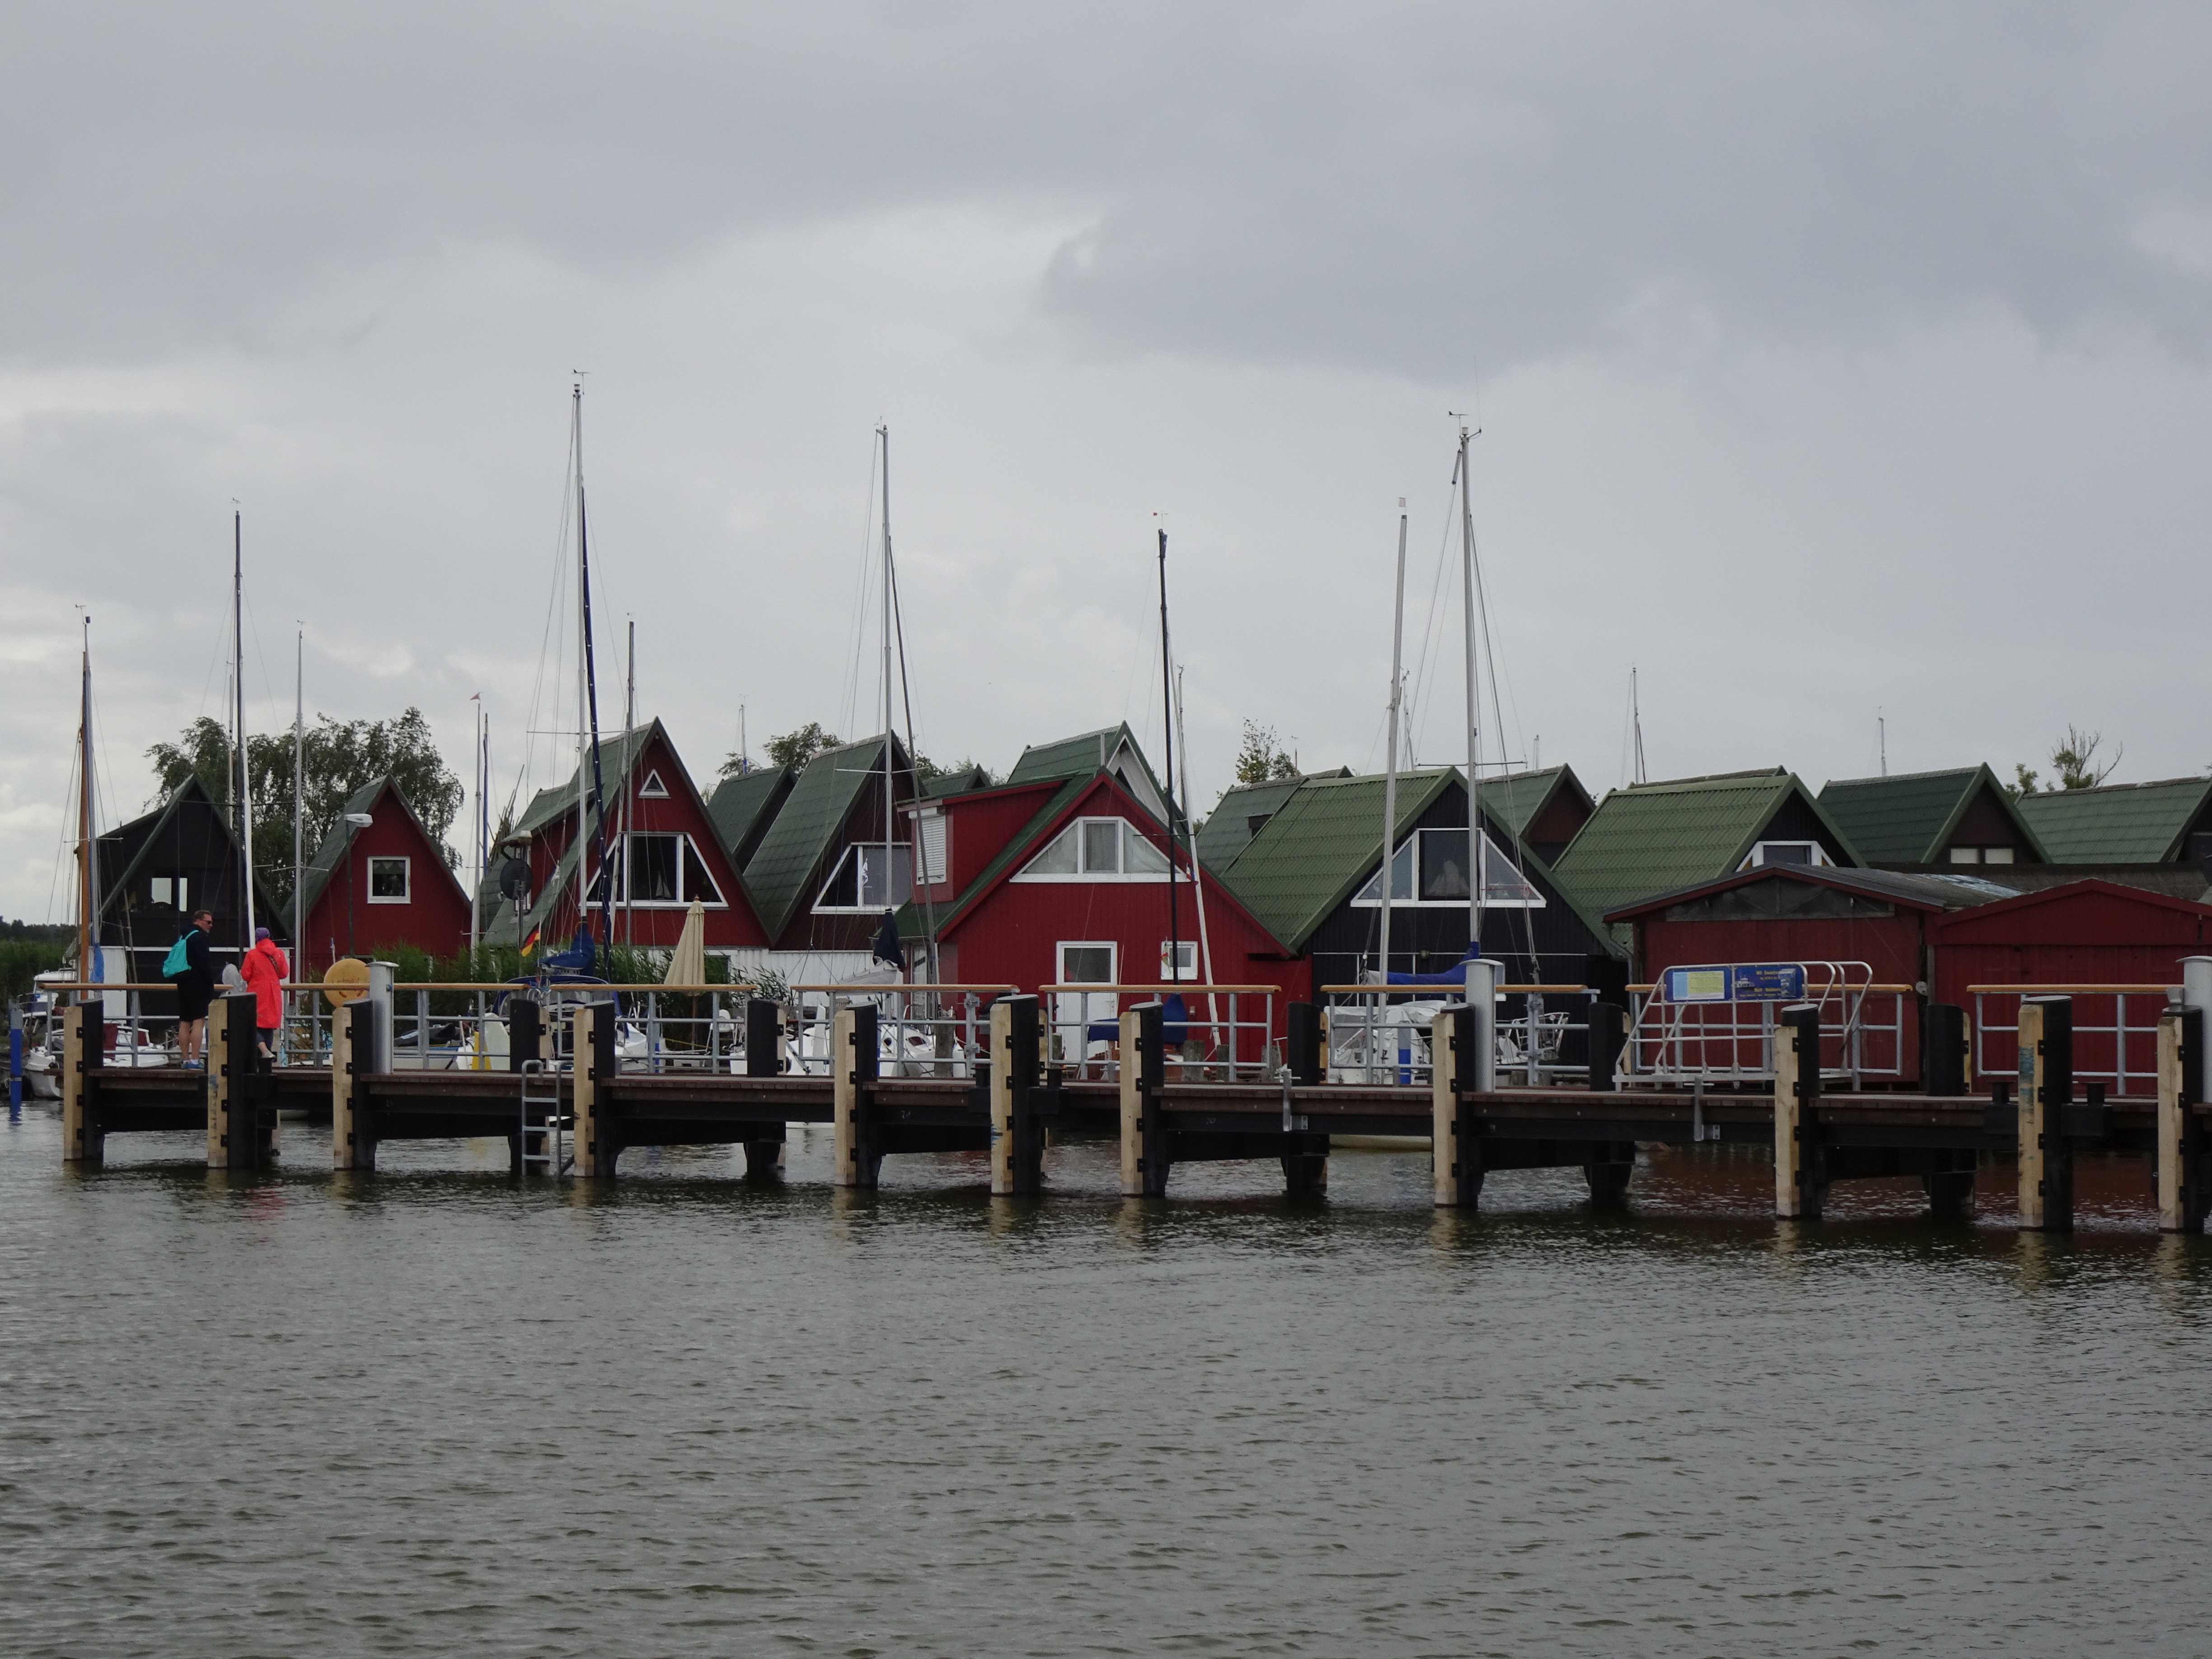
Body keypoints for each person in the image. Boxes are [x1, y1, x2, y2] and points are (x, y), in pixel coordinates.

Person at [240, 926, 290, 1068]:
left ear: (257, 939)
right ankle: (265, 1064)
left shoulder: (252, 954)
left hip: (257, 992)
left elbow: (246, 975)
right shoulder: (278, 953)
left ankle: (263, 1051)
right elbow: (284, 973)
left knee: (251, 1024)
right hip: (273, 993)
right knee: (268, 1027)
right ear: (269, 937)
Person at [171, 909, 215, 1069]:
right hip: (198, 985)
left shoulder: (184, 936)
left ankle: (185, 1060)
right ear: (198, 921)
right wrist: (211, 985)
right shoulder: (199, 938)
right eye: (208, 922)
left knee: (184, 1022)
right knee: (198, 1022)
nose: (211, 925)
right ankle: (195, 1060)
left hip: (183, 984)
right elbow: (205, 965)